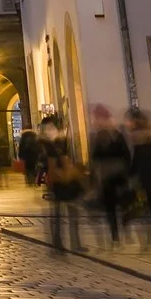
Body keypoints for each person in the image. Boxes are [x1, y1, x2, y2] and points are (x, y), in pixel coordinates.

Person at [39, 115, 87, 252]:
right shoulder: (48, 146)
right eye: (48, 129)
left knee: (65, 213)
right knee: (63, 213)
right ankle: (62, 242)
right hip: (59, 182)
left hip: (63, 181)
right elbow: (52, 164)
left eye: (52, 128)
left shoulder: (58, 142)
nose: (50, 131)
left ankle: (63, 242)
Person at [87, 104, 131, 249]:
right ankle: (115, 236)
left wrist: (127, 174)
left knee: (122, 205)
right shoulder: (97, 137)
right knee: (110, 208)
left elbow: (126, 155)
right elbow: (94, 158)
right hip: (105, 177)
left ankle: (124, 231)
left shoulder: (117, 135)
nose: (97, 122)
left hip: (118, 176)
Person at [125, 106, 151, 250]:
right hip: (145, 179)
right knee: (146, 208)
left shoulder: (146, 141)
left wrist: (139, 175)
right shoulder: (141, 142)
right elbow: (137, 162)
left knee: (147, 208)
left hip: (146, 179)